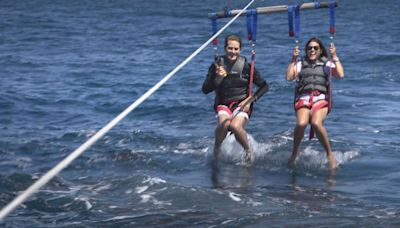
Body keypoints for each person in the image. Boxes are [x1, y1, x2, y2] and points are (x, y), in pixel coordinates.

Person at [202, 35, 269, 163]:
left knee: (235, 126)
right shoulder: (216, 66)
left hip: (242, 104)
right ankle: (217, 147)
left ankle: (248, 151)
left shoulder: (247, 67)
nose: (233, 52)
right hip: (223, 104)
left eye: (236, 49)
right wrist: (218, 78)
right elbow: (205, 89)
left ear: (240, 50)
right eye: (230, 48)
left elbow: (264, 86)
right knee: (226, 123)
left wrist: (251, 100)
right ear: (225, 48)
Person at [286, 37, 344, 170]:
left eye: (315, 48)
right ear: (306, 50)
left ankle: (329, 154)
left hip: (321, 99)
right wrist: (293, 59)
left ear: (320, 50)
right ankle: (295, 151)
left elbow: (340, 74)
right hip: (304, 99)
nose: (312, 50)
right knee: (301, 123)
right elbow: (289, 77)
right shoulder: (301, 64)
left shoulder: (326, 64)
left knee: (316, 123)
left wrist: (334, 56)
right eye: (309, 48)